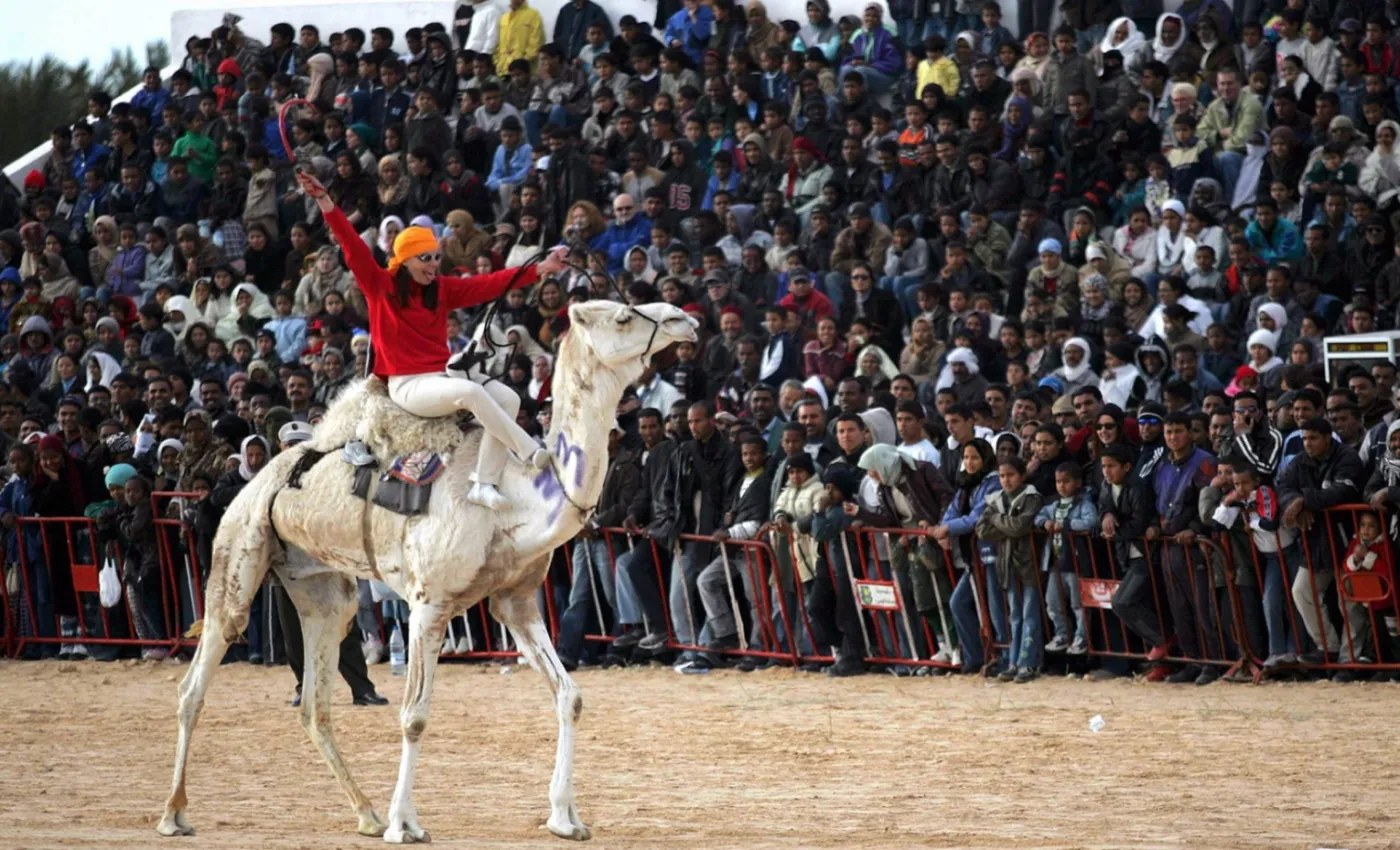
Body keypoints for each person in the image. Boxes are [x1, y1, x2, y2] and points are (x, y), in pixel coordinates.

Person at [296, 170, 566, 509]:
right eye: (426, 258)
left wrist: (541, 268)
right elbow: (350, 244)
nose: (434, 264)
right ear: (405, 260)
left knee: (509, 399)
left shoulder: (442, 289)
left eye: (437, 256)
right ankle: (530, 451)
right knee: (471, 392)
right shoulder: (380, 285)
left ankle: (484, 482)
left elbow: (492, 283)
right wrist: (325, 202)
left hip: (442, 376)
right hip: (407, 385)